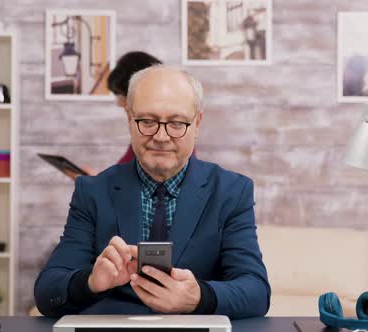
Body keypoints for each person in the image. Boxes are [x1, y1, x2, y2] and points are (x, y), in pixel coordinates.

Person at [34, 65, 271, 318]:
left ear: (197, 123)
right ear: (129, 119)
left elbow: (256, 291)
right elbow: (48, 292)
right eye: (147, 121)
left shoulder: (232, 192)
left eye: (177, 123)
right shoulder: (92, 191)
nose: (161, 136)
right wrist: (90, 282)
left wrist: (199, 297)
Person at [64, 51, 162, 180]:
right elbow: (123, 182)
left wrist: (95, 185)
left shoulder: (162, 140)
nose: (120, 104)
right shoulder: (140, 138)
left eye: (122, 95)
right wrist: (95, 181)